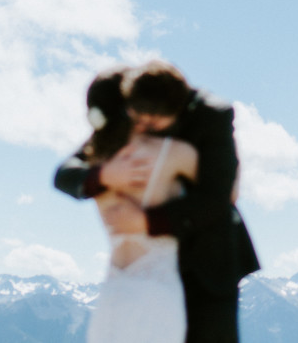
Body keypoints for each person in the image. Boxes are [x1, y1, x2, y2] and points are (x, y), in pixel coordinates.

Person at [56, 62, 260, 343]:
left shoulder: (211, 115)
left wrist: (145, 221)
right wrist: (104, 174)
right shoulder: (125, 122)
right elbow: (65, 173)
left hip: (208, 257)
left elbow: (218, 198)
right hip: (146, 269)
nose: (140, 125)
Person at [77, 68, 198, 343]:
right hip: (157, 293)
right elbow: (226, 192)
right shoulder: (173, 153)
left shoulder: (95, 162)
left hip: (113, 292)